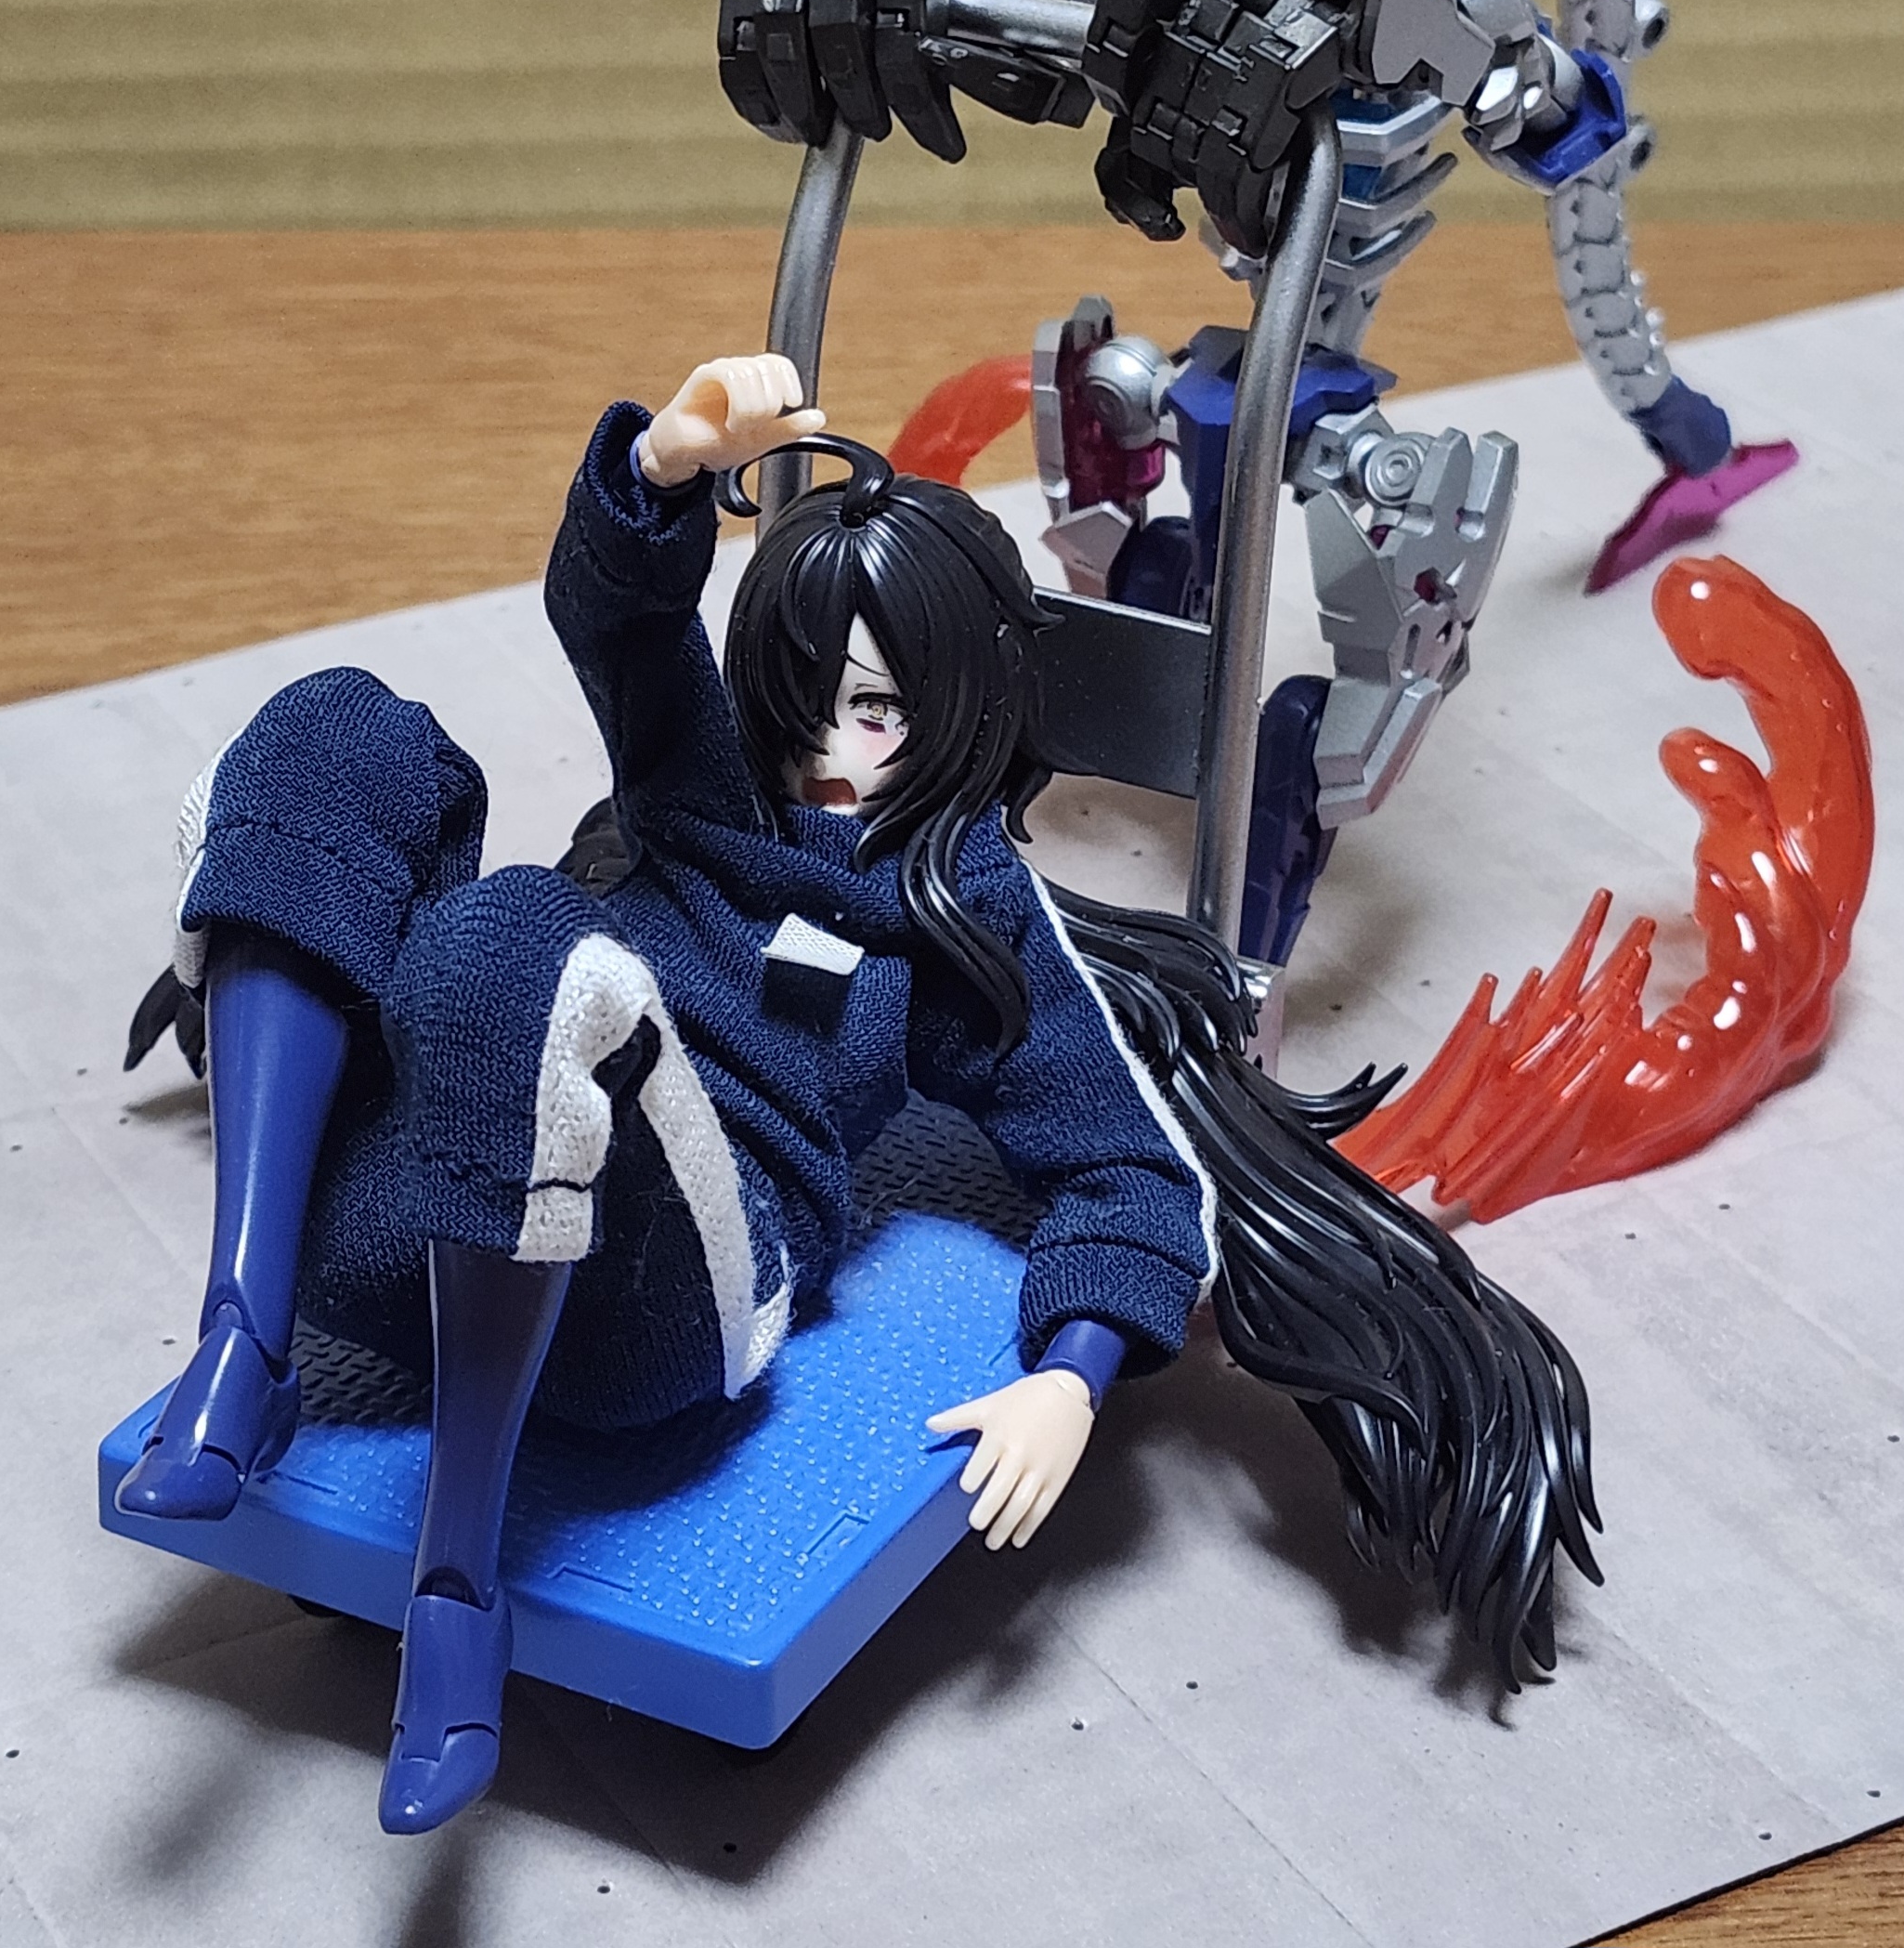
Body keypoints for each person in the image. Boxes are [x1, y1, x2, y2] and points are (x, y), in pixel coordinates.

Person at [118, 355, 1598, 1837]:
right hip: (402, 1235)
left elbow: (1128, 1168)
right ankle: (244, 1339)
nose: (829, 749)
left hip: (653, 1292)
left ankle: (459, 1587)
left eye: (879, 710)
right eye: (797, 701)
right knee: (338, 727)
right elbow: (620, 615)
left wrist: (1071, 1376)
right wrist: (663, 470)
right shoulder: (706, 785)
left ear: (957, 710)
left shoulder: (968, 914)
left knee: (517, 941)